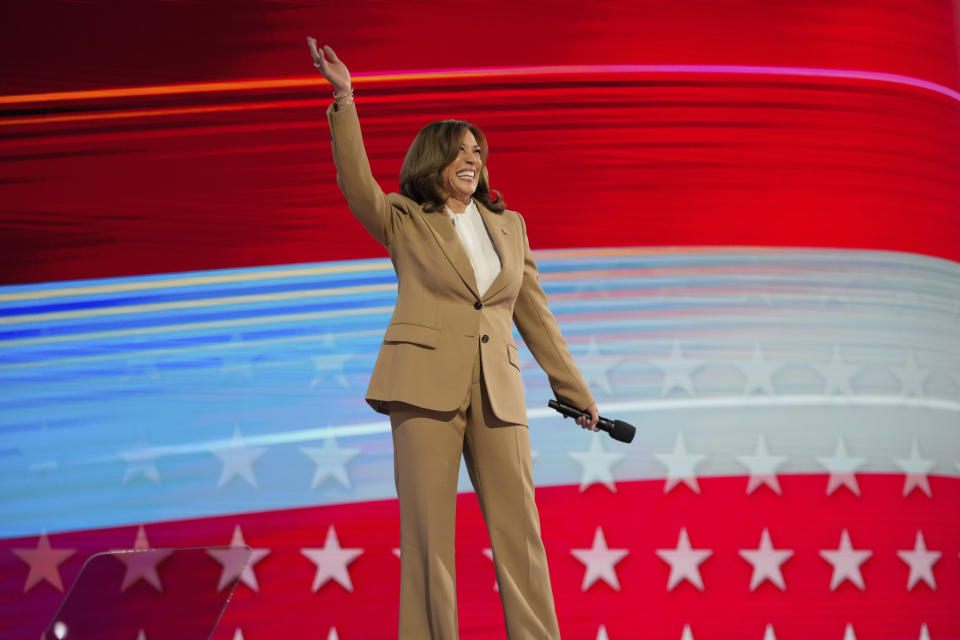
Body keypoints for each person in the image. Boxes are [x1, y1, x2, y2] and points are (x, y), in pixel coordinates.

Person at [307, 39, 599, 639]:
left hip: (499, 390)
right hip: (422, 388)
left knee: (522, 535)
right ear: (433, 159)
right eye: (461, 150)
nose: (473, 158)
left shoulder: (509, 225)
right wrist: (344, 98)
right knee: (427, 538)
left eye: (479, 151)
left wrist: (576, 393)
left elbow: (536, 316)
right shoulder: (404, 219)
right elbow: (356, 183)